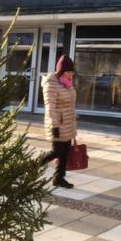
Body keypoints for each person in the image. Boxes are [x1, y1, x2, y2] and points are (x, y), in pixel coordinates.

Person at [40, 55, 78, 189]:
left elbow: (70, 104)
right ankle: (34, 165)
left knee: (65, 152)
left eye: (72, 72)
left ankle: (59, 178)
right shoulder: (51, 84)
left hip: (68, 123)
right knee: (56, 151)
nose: (71, 75)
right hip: (57, 123)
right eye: (68, 72)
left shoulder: (68, 84)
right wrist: (54, 126)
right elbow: (50, 106)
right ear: (61, 72)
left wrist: (74, 117)